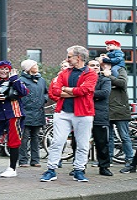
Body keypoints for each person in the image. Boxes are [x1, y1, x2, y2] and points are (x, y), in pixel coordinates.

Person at [40, 45, 98, 182]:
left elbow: (86, 90)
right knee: (57, 142)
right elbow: (55, 90)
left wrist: (65, 90)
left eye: (69, 56)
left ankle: (79, 170)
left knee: (83, 144)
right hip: (63, 112)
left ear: (78, 58)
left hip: (83, 113)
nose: (67, 59)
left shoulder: (91, 73)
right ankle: (51, 169)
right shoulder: (64, 72)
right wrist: (74, 91)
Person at [100, 58, 134, 167]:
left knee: (124, 136)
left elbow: (122, 83)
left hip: (120, 109)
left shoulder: (119, 70)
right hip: (106, 109)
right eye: (102, 63)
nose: (104, 65)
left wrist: (108, 76)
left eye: (106, 63)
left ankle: (130, 160)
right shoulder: (99, 73)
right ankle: (108, 160)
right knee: (108, 137)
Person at [18, 59, 48, 168]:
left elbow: (46, 92)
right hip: (26, 112)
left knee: (36, 137)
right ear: (29, 68)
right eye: (34, 65)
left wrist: (43, 100)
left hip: (38, 112)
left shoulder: (41, 80)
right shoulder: (21, 80)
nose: (37, 66)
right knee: (24, 138)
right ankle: (23, 160)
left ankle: (35, 160)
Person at [88, 60, 113, 176]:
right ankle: (79, 167)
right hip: (84, 113)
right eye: (92, 65)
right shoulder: (82, 79)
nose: (96, 67)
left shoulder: (105, 79)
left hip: (100, 115)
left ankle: (104, 167)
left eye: (97, 65)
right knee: (79, 142)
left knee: (102, 142)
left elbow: (104, 93)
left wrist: (86, 93)